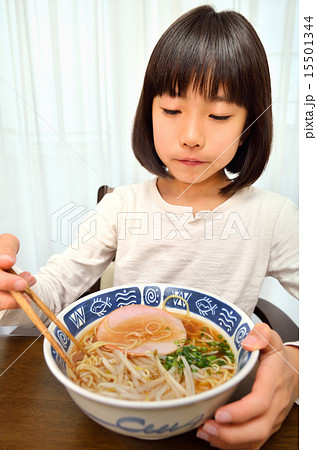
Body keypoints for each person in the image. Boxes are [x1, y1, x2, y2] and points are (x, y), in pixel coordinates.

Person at [0, 5, 298, 449]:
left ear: (249, 126)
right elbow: (57, 285)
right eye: (172, 110)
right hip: (109, 403)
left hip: (216, 405)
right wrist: (15, 289)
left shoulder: (272, 216)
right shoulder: (122, 206)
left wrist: (296, 364)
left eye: (219, 116)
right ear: (148, 112)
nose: (192, 135)